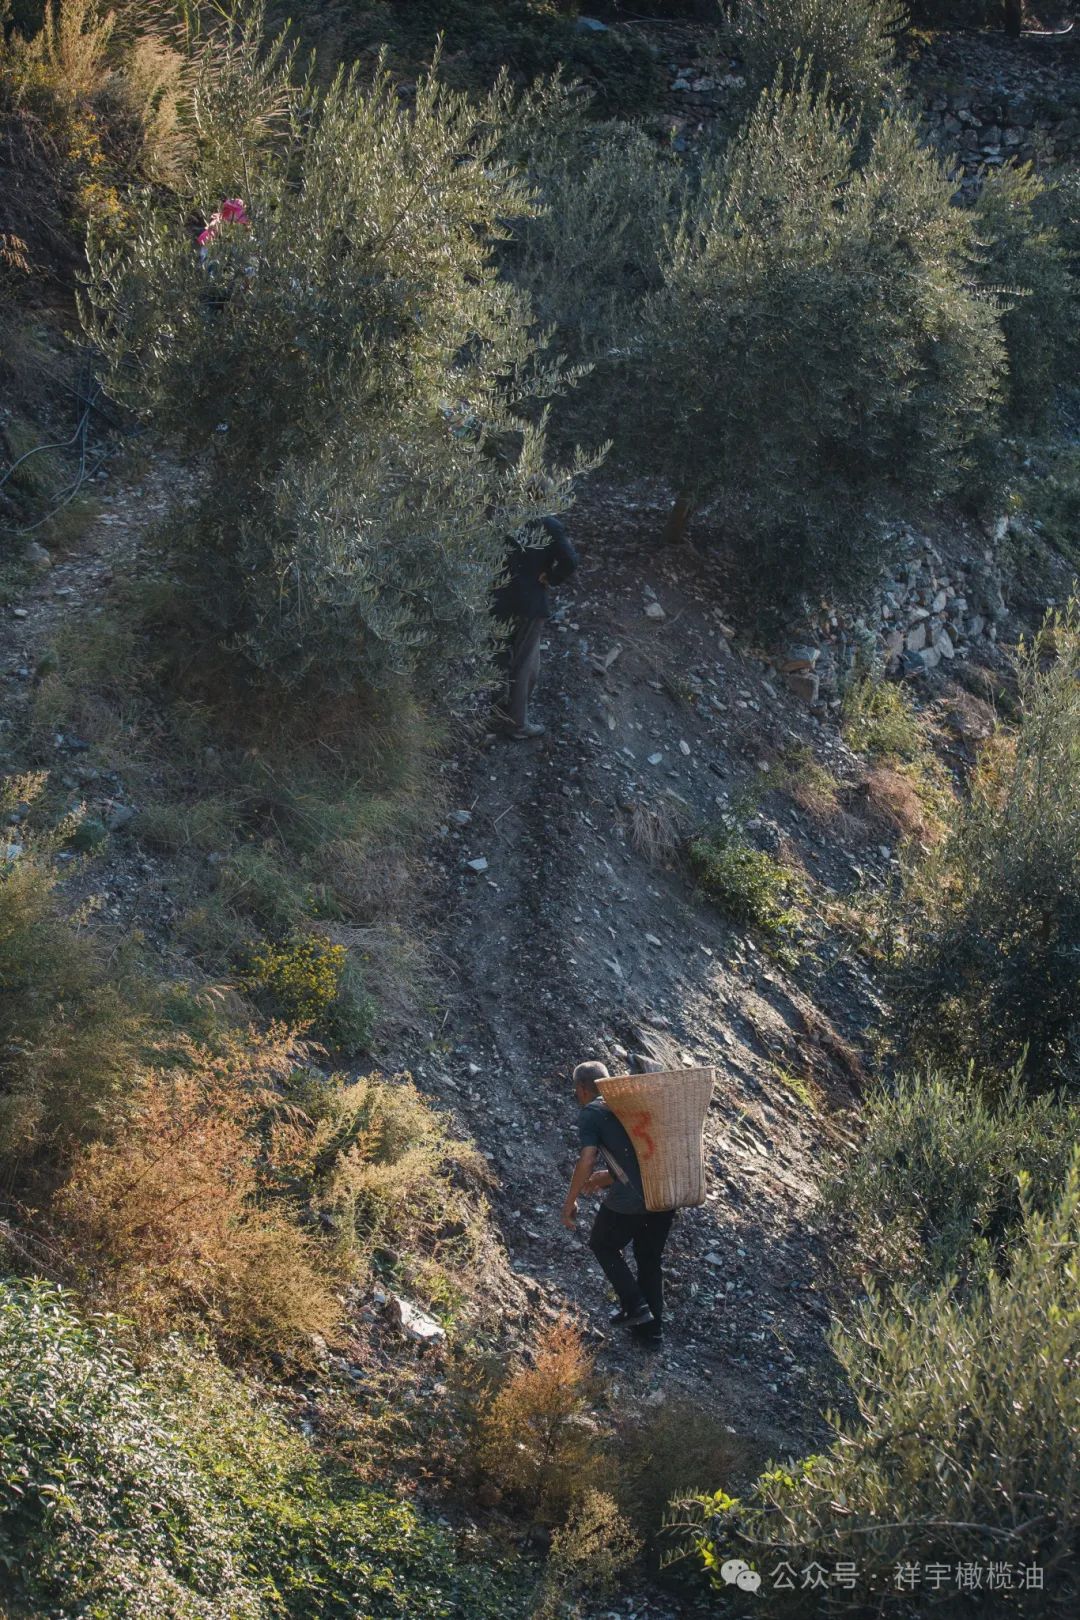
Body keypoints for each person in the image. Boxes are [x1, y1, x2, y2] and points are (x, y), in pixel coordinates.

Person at [561, 1060, 674, 1349]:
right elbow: (639, 1151)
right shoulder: (629, 1104)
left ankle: (634, 1305)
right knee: (649, 1259)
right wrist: (608, 1176)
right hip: (665, 1191)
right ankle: (652, 1334)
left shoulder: (592, 1111)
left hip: (633, 1198)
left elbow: (587, 1158)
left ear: (582, 1088)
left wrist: (570, 1201)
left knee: (602, 1244)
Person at [492, 514, 578, 740]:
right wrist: (551, 577)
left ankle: (496, 715)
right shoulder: (549, 525)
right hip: (529, 605)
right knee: (524, 664)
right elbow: (570, 560)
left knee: (499, 658)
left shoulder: (507, 519)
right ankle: (517, 724)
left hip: (499, 600)